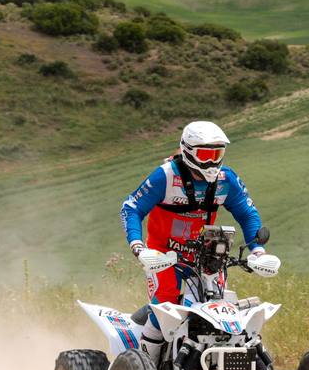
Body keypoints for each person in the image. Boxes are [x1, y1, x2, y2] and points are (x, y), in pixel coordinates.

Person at [120, 121, 280, 326]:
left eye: (218, 155)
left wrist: (257, 250)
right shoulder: (166, 176)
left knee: (219, 305)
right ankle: (144, 355)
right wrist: (138, 246)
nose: (212, 163)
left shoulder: (226, 179)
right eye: (205, 155)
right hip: (162, 253)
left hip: (206, 254)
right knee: (166, 309)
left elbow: (248, 214)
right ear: (188, 151)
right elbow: (131, 207)